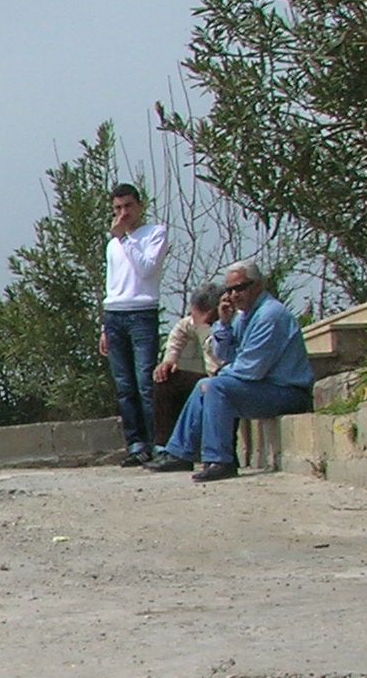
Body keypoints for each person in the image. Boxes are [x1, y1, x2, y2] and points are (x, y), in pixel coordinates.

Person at [147, 261, 314, 481]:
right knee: (205, 385)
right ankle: (179, 453)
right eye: (230, 290)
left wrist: (218, 376)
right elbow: (223, 355)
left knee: (214, 386)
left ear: (257, 286)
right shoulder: (244, 316)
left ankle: (220, 460)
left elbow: (251, 369)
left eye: (241, 287)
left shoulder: (270, 315)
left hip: (287, 392)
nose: (234, 295)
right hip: (263, 387)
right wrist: (224, 324)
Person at [98, 183, 170, 467]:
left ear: (139, 205)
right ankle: (136, 443)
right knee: (124, 385)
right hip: (115, 314)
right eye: (117, 208)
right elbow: (112, 284)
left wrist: (126, 239)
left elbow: (148, 268)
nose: (123, 213)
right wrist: (105, 326)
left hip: (141, 313)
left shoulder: (154, 234)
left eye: (128, 206)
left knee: (145, 382)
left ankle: (159, 443)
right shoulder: (112, 244)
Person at [151, 285, 222, 449]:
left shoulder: (233, 322)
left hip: (225, 378)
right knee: (166, 380)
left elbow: (220, 360)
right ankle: (164, 446)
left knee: (210, 387)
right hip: (208, 379)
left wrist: (204, 329)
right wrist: (169, 360)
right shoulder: (192, 322)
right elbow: (178, 333)